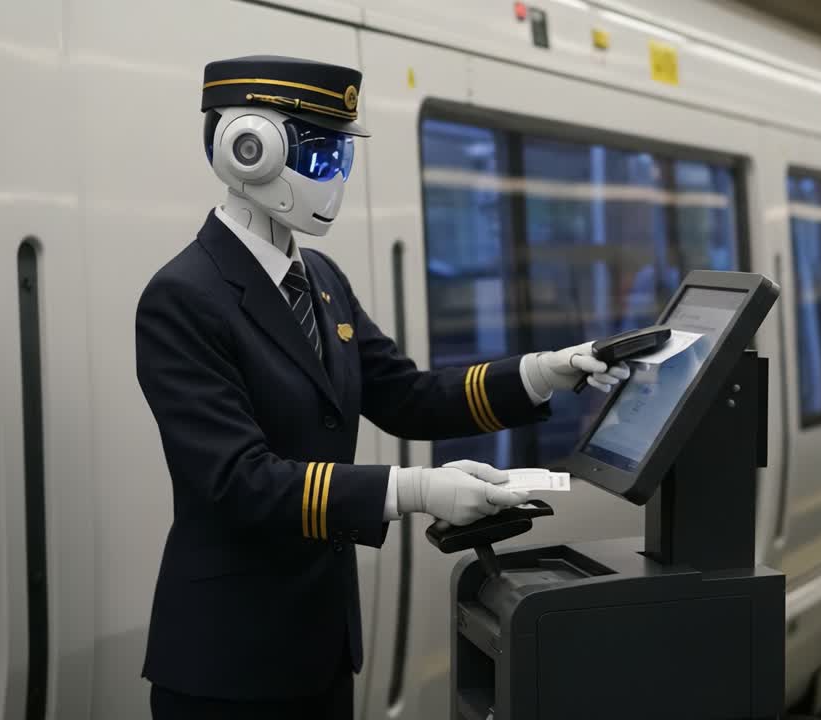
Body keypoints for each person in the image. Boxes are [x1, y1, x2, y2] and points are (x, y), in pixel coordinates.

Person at [135, 55, 628, 720]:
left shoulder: (320, 277)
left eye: (342, 154)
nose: (334, 175)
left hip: (322, 641)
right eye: (319, 154)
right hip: (229, 658)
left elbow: (407, 395)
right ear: (246, 149)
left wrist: (544, 371)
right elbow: (236, 481)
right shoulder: (183, 298)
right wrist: (416, 490)